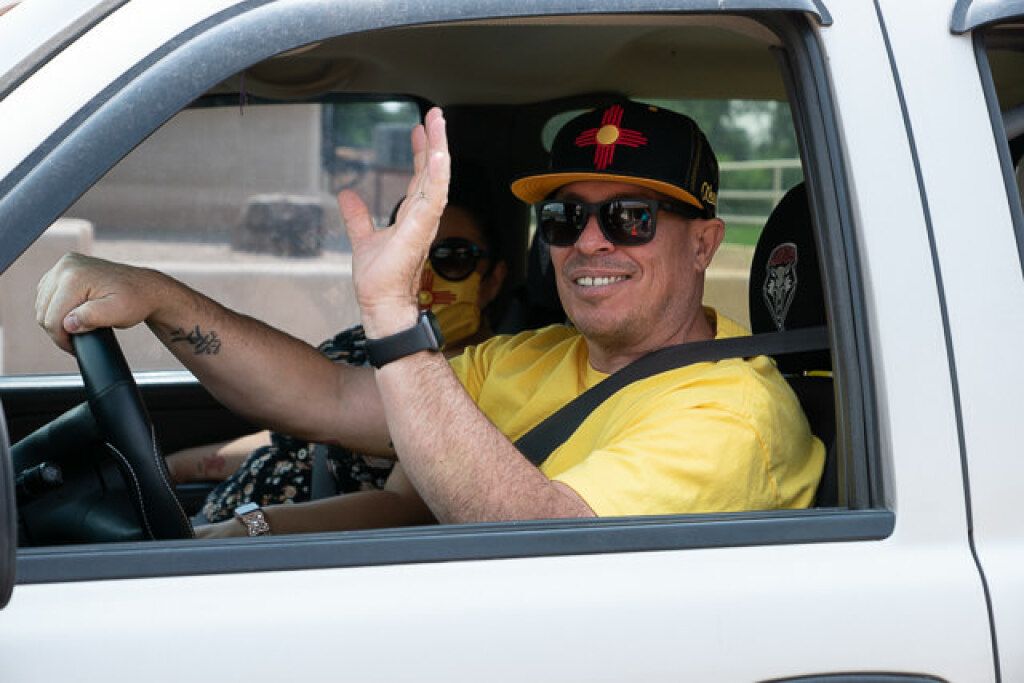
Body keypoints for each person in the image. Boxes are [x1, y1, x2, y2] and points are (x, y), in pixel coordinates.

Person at [35, 101, 823, 537]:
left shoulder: (734, 415)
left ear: (703, 244)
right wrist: (163, 298)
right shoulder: (535, 356)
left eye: (629, 217)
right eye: (563, 218)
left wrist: (392, 308)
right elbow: (337, 400)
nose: (589, 241)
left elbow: (544, 540)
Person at [166, 198, 508, 524]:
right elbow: (292, 438)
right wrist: (177, 467)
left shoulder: (483, 382)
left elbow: (399, 508)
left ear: (493, 280)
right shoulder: (364, 340)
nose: (426, 276)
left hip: (287, 560)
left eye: (452, 257)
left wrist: (240, 532)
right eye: (410, 254)